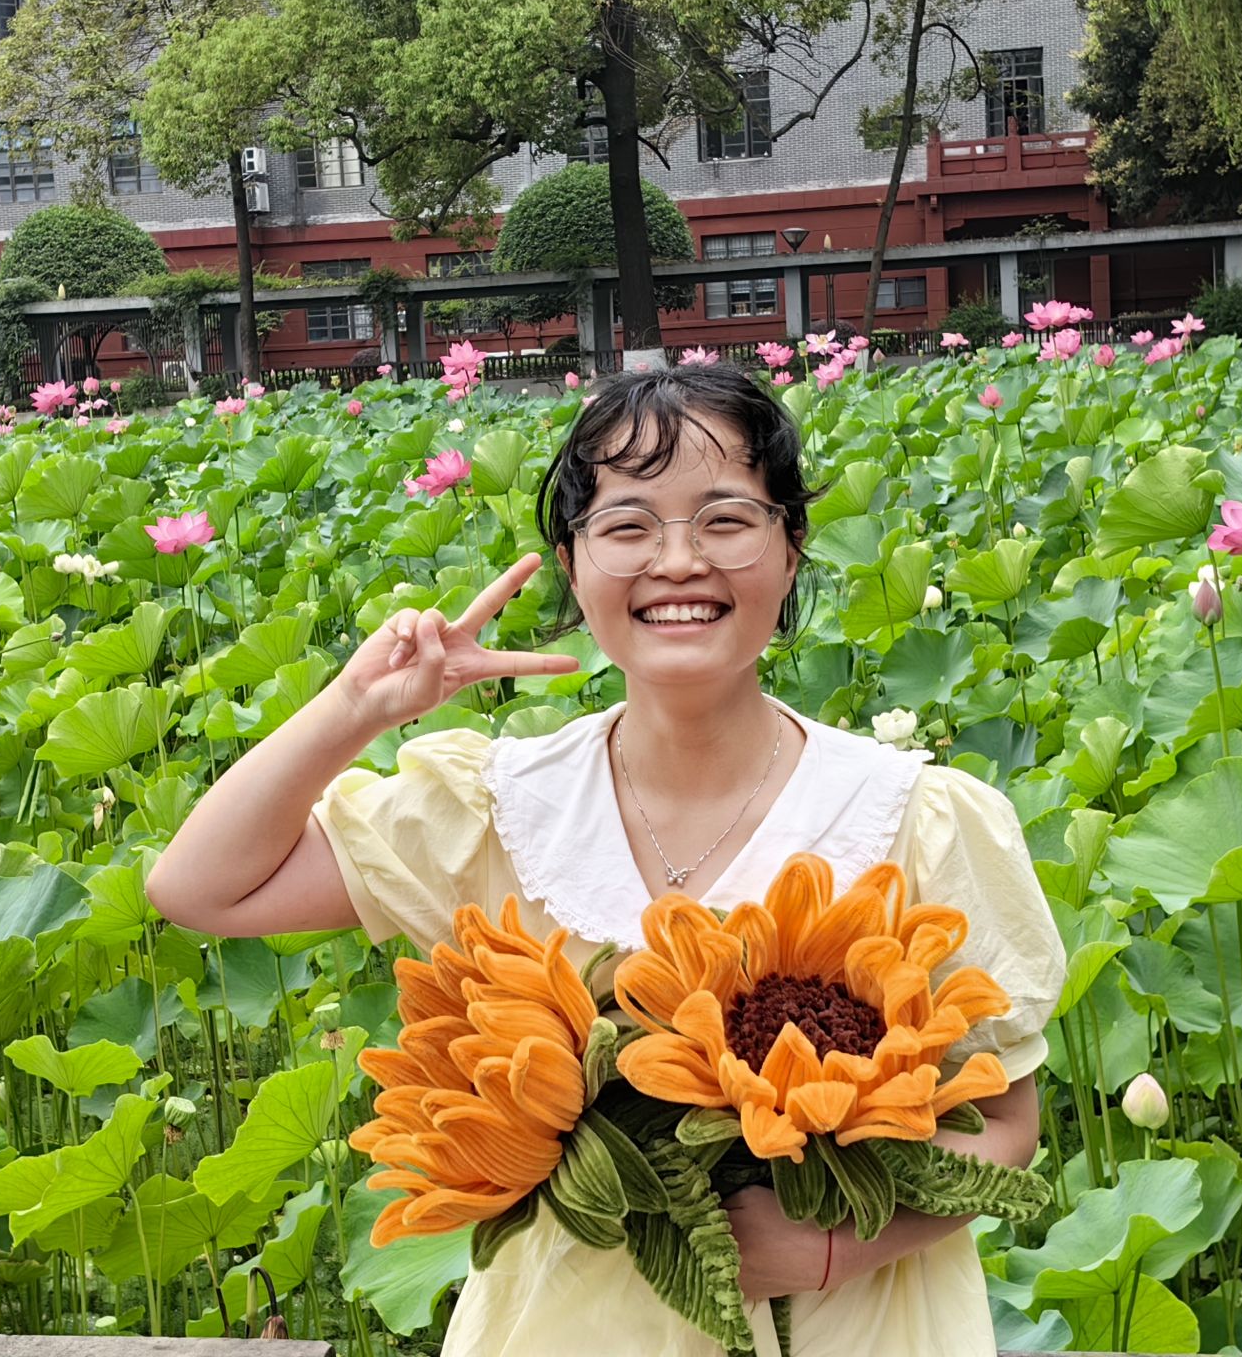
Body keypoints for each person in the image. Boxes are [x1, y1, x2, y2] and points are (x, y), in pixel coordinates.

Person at [147, 364, 1066, 1357]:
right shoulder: (496, 810)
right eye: (627, 527)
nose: (678, 561)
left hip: (851, 1330)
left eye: (725, 520)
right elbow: (199, 889)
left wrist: (830, 1251)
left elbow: (1008, 1125)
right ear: (572, 564)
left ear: (791, 546)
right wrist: (355, 708)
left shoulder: (915, 817)